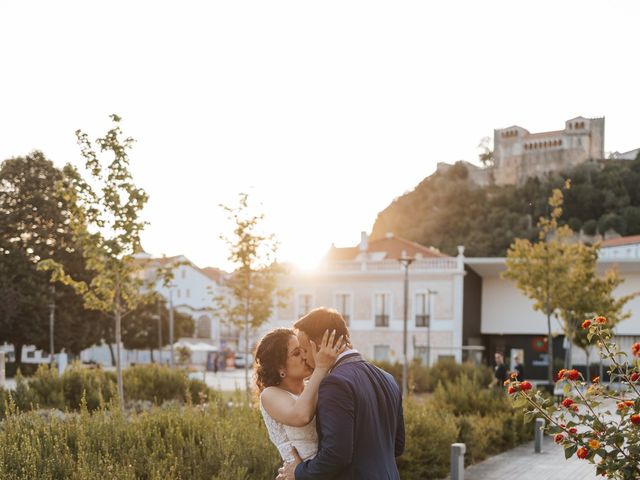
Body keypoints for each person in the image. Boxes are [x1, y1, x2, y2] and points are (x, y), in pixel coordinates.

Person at [278, 307, 405, 480]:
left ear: (321, 346)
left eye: (305, 351)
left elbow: (336, 455)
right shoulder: (388, 378)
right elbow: (397, 446)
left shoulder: (335, 383)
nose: (305, 359)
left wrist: (298, 472)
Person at [255, 327, 346, 464]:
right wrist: (321, 368)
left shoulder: (314, 384)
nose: (305, 356)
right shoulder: (270, 394)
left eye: (304, 350)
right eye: (296, 353)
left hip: (329, 469)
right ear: (280, 367)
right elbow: (301, 416)